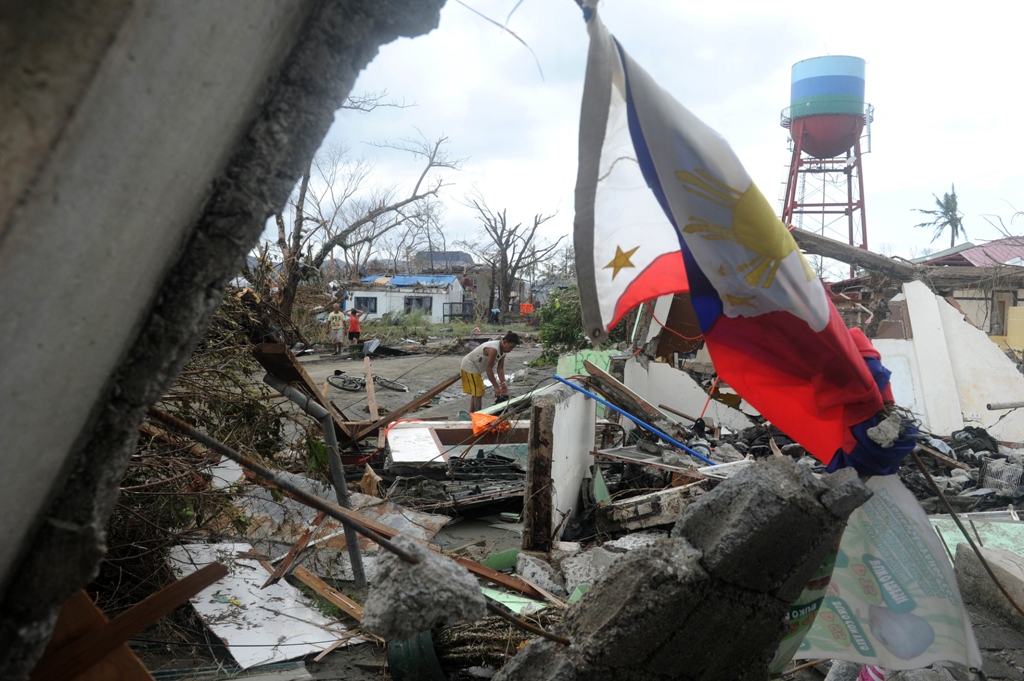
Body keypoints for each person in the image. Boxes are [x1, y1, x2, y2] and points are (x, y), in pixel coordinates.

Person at [460, 332, 520, 411]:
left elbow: (500, 368)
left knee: (476, 392)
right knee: (479, 392)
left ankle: (473, 415)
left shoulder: (504, 351)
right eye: (510, 347)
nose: (511, 350)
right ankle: (478, 414)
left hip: (477, 368)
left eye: (513, 348)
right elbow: (489, 369)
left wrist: (503, 383)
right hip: (470, 366)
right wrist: (496, 387)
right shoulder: (493, 349)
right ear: (504, 342)